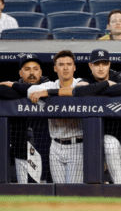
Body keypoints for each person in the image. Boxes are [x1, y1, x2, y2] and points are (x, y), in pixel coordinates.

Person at [72, 49, 121, 185]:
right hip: (109, 140)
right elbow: (77, 91)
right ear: (90, 66)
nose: (101, 68)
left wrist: (94, 89)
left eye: (104, 64)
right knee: (110, 145)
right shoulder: (85, 80)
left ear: (109, 64)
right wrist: (106, 84)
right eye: (97, 64)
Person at [27, 50, 84, 184]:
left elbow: (79, 90)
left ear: (74, 67)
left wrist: (48, 93)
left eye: (69, 64)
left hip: (77, 144)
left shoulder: (80, 83)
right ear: (55, 68)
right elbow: (30, 90)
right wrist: (43, 102)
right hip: (55, 146)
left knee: (72, 191)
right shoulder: (50, 84)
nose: (65, 68)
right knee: (58, 190)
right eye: (61, 64)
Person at [0, 54, 50, 184]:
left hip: (46, 151)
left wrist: (17, 88)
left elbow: (50, 90)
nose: (32, 73)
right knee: (24, 190)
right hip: (20, 150)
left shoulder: (49, 86)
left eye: (35, 69)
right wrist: (26, 90)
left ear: (41, 72)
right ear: (20, 73)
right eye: (27, 69)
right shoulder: (11, 87)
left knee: (46, 190)